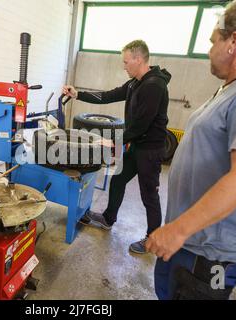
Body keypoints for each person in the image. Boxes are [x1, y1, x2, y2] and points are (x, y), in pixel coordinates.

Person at [145, 0, 236, 300]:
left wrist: (178, 230)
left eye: (214, 41)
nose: (209, 50)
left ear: (234, 41)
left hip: (211, 255)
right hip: (192, 244)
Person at [63, 40, 172, 253]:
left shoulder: (154, 85)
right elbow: (109, 95)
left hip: (150, 150)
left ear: (138, 59)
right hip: (136, 145)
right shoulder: (135, 83)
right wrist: (78, 94)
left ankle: (152, 239)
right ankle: (108, 218)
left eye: (126, 62)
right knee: (118, 179)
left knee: (149, 194)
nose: (124, 66)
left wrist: (114, 141)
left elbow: (142, 124)